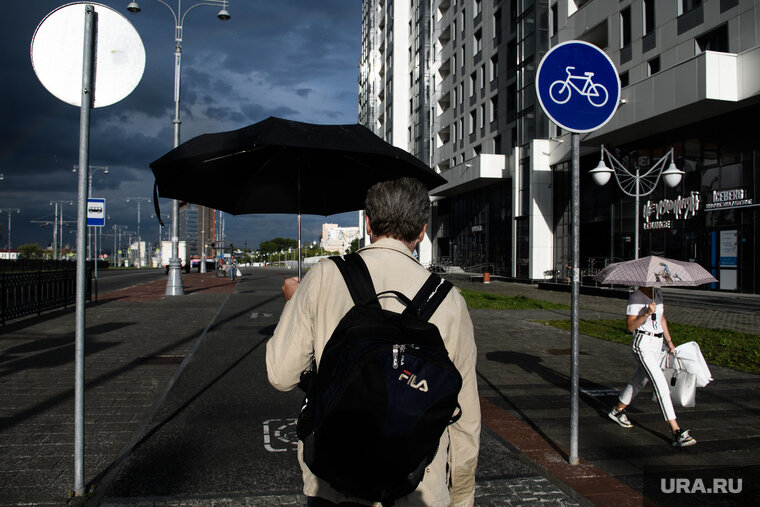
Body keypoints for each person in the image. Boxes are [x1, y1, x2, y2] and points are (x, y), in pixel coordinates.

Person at [266, 177, 480, 506]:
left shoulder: (325, 275)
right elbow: (464, 414)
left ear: (368, 224)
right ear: (422, 230)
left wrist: (291, 305)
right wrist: (462, 493)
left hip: (335, 484)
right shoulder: (449, 300)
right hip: (417, 486)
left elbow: (281, 375)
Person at [608, 285, 696, 447]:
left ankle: (617, 410)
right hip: (643, 344)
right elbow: (630, 326)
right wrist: (646, 313)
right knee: (660, 383)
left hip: (658, 343)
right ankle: (676, 431)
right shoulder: (636, 297)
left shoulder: (658, 294)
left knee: (639, 380)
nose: (656, 282)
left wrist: (669, 342)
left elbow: (662, 319)